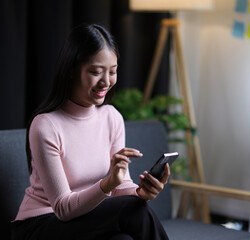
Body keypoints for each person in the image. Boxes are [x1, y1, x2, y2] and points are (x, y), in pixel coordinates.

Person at [11, 23, 170, 240]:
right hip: (42, 225)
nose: (106, 82)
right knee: (133, 210)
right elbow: (62, 208)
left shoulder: (111, 117)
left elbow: (121, 183)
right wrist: (107, 184)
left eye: (112, 71)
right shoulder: (46, 125)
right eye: (96, 72)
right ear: (70, 71)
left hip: (86, 220)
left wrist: (140, 193)